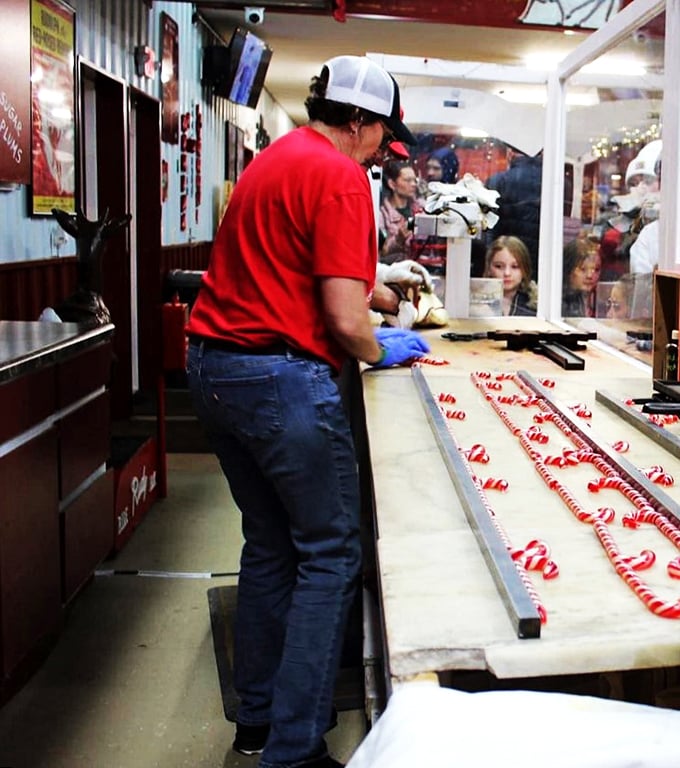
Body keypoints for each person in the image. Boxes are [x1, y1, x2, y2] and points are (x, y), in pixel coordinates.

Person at [185, 55, 429, 768]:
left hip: (214, 369)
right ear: (357, 119)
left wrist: (375, 301)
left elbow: (296, 267)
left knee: (270, 546)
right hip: (280, 382)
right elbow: (344, 320)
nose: (385, 148)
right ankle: (294, 752)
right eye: (381, 131)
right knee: (331, 555)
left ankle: (256, 721)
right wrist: (383, 347)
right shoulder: (343, 176)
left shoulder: (277, 157)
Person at [485, 150, 543, 280]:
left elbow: (488, 227)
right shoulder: (555, 184)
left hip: (503, 260)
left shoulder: (498, 181)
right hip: (542, 263)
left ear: (510, 154)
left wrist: (489, 259)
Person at [379, 160, 425, 264]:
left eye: (415, 180)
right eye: (407, 180)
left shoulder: (422, 208)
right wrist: (398, 240)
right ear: (392, 184)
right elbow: (381, 251)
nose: (413, 184)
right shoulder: (382, 215)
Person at [483, 235, 537, 316]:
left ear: (525, 269)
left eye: (515, 267)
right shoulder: (476, 303)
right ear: (489, 269)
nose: (507, 273)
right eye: (499, 266)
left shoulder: (538, 305)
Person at [562, 236, 602, 317]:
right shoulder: (558, 306)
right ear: (568, 269)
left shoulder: (600, 302)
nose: (590, 275)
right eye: (582, 269)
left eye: (596, 269)